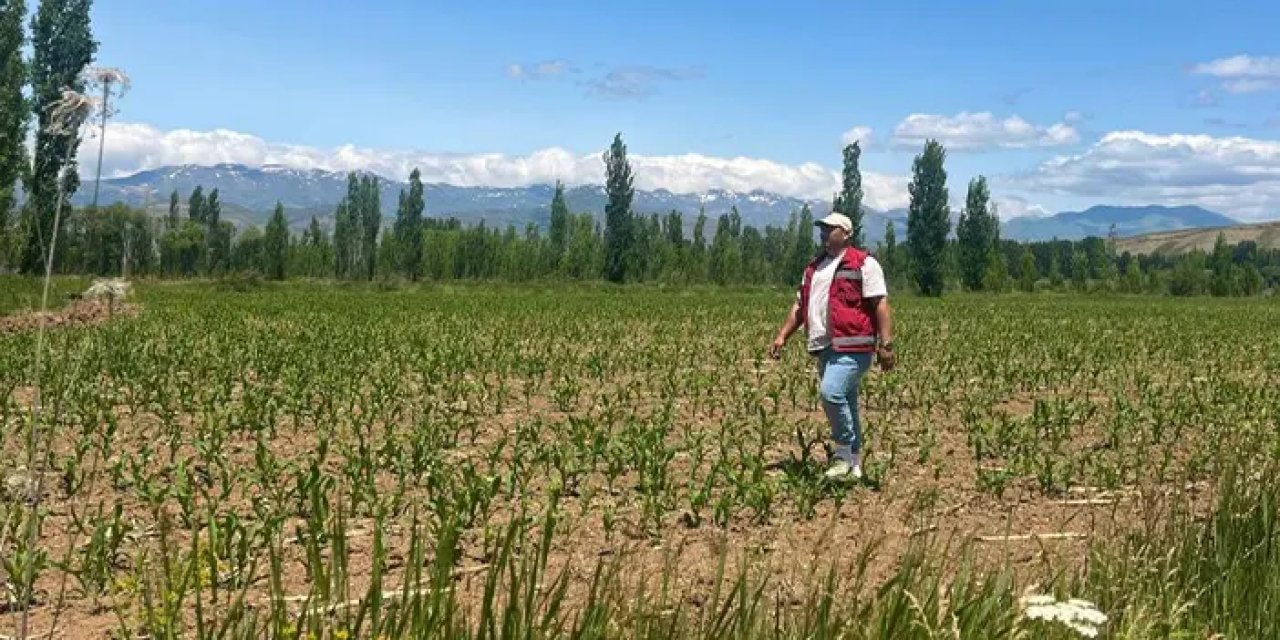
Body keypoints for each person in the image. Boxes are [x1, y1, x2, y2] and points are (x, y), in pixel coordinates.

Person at [769, 212, 895, 480]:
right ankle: (855, 464)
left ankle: (841, 454)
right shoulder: (813, 268)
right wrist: (782, 336)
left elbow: (880, 304)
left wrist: (886, 344)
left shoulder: (864, 264)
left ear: (846, 233)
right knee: (846, 403)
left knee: (831, 393)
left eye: (830, 229)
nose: (824, 234)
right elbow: (800, 307)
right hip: (825, 347)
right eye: (822, 230)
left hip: (854, 346)